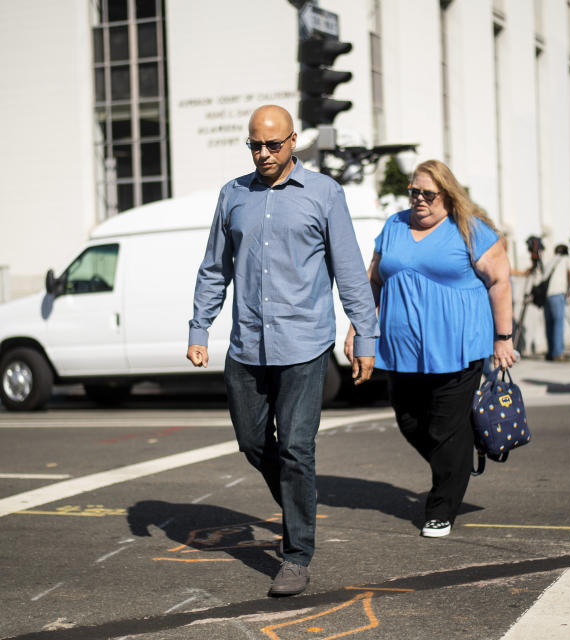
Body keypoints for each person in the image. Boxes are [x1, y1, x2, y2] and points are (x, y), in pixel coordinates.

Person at [187, 105, 379, 597]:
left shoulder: (323, 194)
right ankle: (301, 502)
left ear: (294, 141)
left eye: (274, 144)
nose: (264, 153)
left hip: (304, 344)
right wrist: (199, 328)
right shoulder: (233, 196)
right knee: (253, 443)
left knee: (296, 449)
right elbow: (214, 268)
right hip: (247, 343)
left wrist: (365, 334)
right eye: (256, 145)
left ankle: (296, 554)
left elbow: (350, 269)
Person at [345, 159, 517, 539]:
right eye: (414, 192)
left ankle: (441, 508)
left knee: (445, 427)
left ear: (447, 195)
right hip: (401, 349)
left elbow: (500, 282)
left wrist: (503, 338)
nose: (419, 200)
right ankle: (456, 459)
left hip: (458, 345)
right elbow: (372, 281)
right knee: (409, 420)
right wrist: (358, 328)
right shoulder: (394, 226)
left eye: (428, 194)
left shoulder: (470, 229)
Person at [542, 244, 570, 361]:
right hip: (557, 294)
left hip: (546, 295)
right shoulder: (567, 259)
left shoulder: (551, 260)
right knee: (558, 323)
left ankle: (551, 351)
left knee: (549, 324)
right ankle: (558, 353)